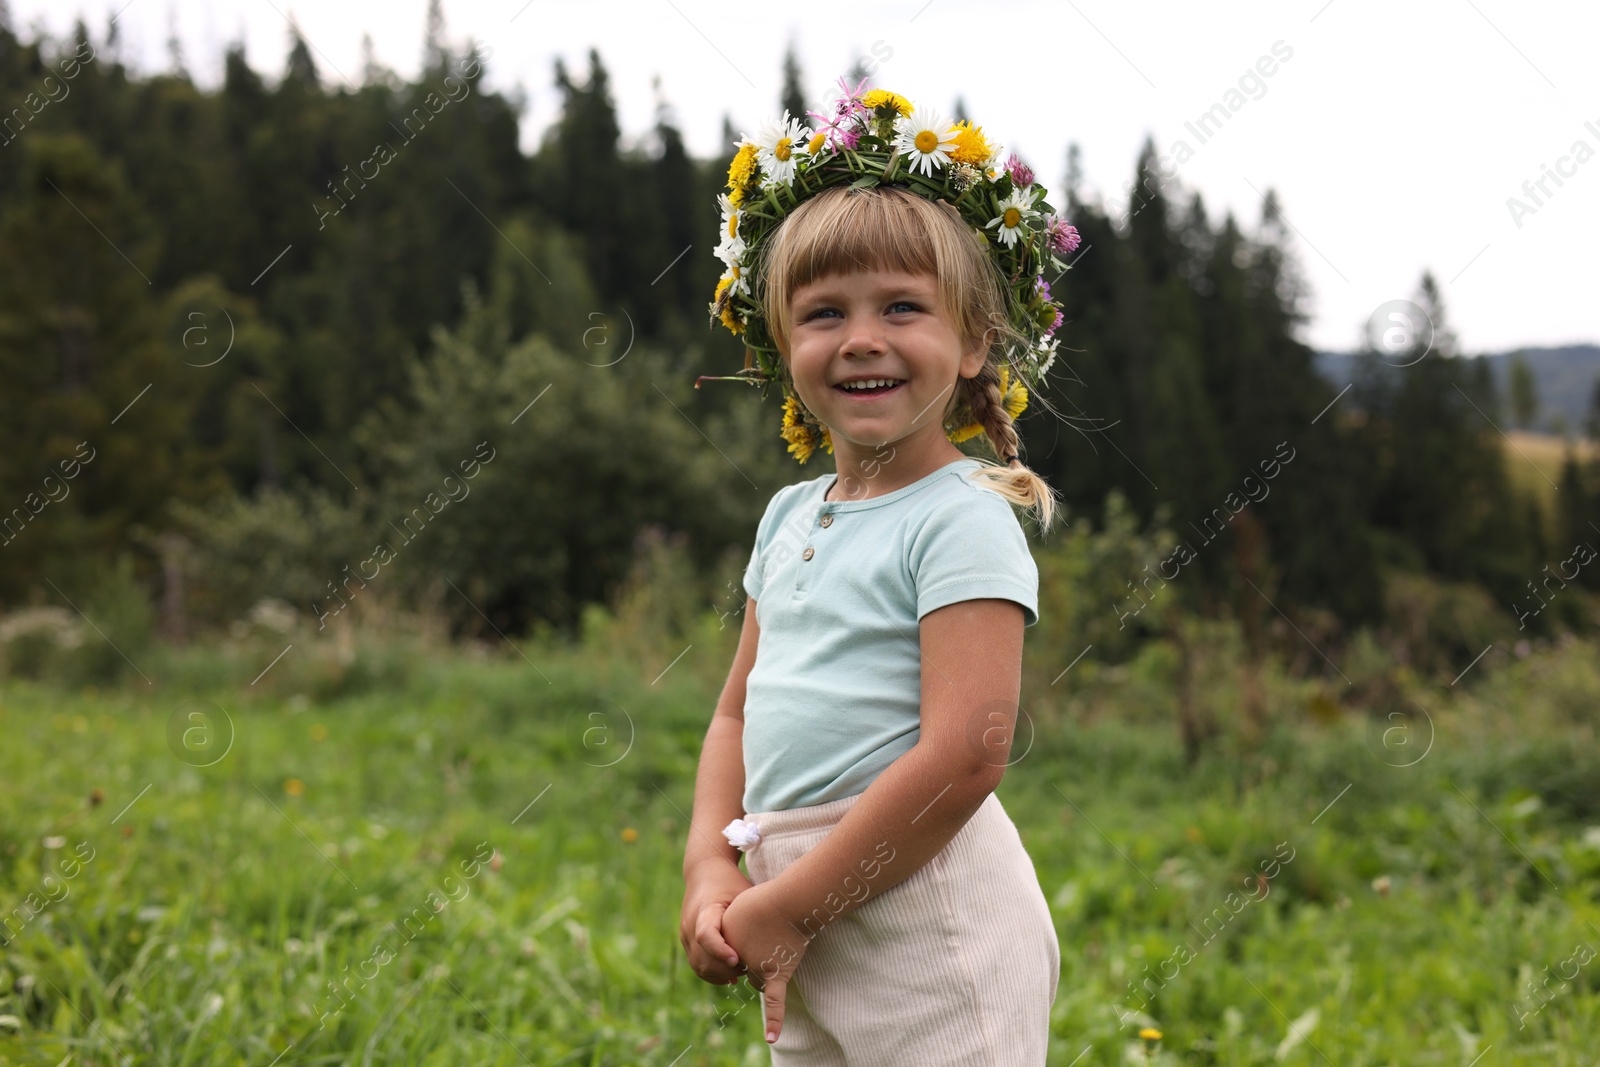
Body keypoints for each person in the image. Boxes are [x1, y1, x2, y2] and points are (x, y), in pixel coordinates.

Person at [680, 85, 1079, 1065]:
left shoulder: (962, 518)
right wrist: (707, 864)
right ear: (782, 344)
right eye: (823, 312)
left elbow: (964, 754)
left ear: (974, 339)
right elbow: (735, 711)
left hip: (928, 928)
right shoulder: (787, 517)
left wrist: (793, 902)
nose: (860, 336)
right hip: (799, 913)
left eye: (902, 306)